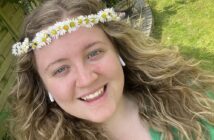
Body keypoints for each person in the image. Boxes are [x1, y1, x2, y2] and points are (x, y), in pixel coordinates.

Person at [9, 0, 214, 140]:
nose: (86, 79)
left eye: (93, 53)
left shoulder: (194, 100)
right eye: (61, 69)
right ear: (44, 86)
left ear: (118, 51)